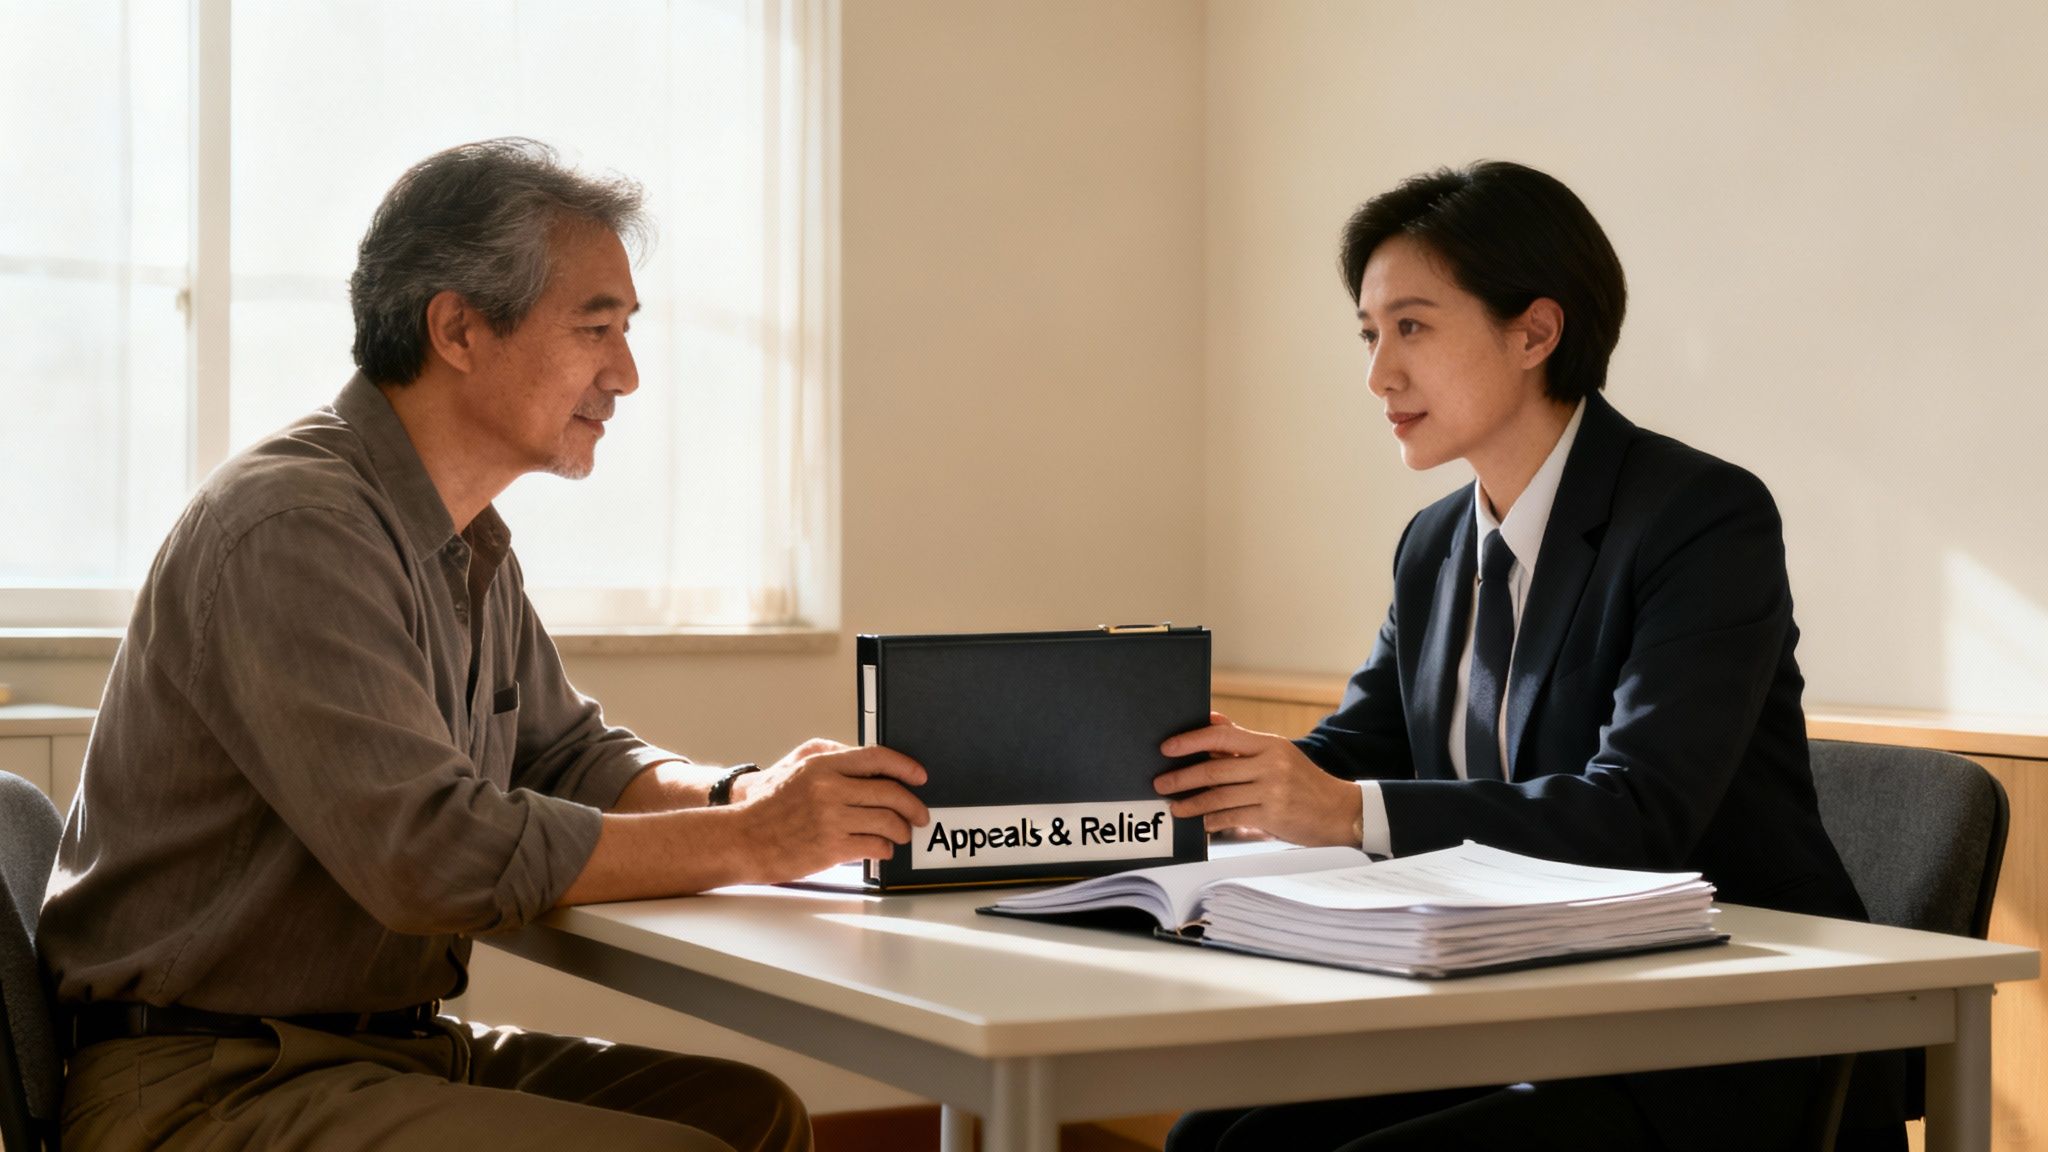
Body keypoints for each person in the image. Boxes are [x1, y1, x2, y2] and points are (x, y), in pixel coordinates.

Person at [42, 138, 931, 1152]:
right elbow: (430, 856)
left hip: (376, 1052)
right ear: (458, 329)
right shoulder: (293, 528)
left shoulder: (460, 539)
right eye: (596, 328)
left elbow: (571, 756)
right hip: (204, 1086)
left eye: (627, 330)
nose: (627, 374)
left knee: (752, 1114)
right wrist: (758, 839)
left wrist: (737, 792)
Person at [1152, 161, 1896, 1151]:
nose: (1377, 374)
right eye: (1369, 335)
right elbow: (1356, 752)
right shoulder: (1432, 546)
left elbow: (1635, 813)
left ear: (1534, 332)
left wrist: (1335, 808)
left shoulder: (1697, 519)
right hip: (1510, 1004)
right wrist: (1225, 776)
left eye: (1410, 327)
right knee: (1219, 1139)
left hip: (1703, 1034)